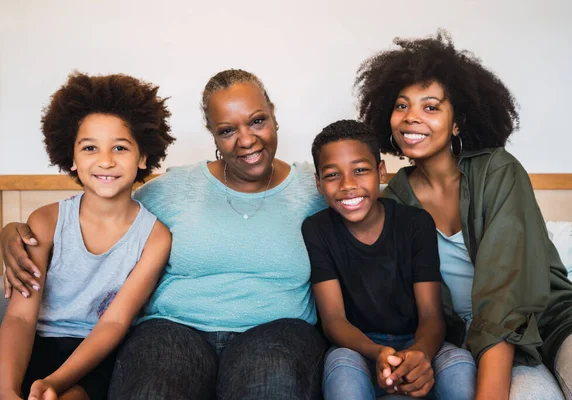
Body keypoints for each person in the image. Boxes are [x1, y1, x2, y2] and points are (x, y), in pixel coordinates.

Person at [2, 69, 328, 400]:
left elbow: (370, 218)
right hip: (172, 331)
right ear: (212, 135)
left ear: (273, 114)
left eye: (257, 121)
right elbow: (108, 209)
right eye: (227, 130)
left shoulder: (316, 189)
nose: (245, 139)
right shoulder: (171, 190)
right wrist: (11, 231)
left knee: (272, 389)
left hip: (278, 333)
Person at [354, 30, 572, 399]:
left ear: (457, 123)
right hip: (476, 342)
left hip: (553, 318)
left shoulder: (498, 172)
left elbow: (506, 295)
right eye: (402, 105)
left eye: (431, 106)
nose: (411, 118)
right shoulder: (393, 203)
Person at [0, 72, 174, 400]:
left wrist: (56, 382)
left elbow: (114, 323)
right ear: (72, 158)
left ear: (142, 157)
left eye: (120, 147)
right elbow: (21, 317)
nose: (105, 160)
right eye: (90, 147)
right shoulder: (47, 221)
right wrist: (7, 390)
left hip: (98, 353)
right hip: (35, 344)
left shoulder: (155, 237)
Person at [302, 119, 476, 400]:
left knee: (459, 365)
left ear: (381, 171)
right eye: (332, 175)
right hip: (358, 348)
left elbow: (431, 314)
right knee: (341, 371)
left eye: (360, 170)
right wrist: (378, 353)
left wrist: (419, 354)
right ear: (319, 183)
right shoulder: (317, 229)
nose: (348, 185)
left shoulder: (415, 223)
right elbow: (333, 319)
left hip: (419, 341)